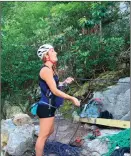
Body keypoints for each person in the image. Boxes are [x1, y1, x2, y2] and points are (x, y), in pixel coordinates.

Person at [35, 44, 80, 156]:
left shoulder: (51, 70)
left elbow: (53, 85)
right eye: (52, 51)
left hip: (50, 107)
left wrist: (64, 82)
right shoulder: (46, 70)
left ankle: (40, 151)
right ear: (46, 55)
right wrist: (72, 98)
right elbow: (54, 91)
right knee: (42, 136)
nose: (55, 53)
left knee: (50, 131)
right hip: (46, 107)